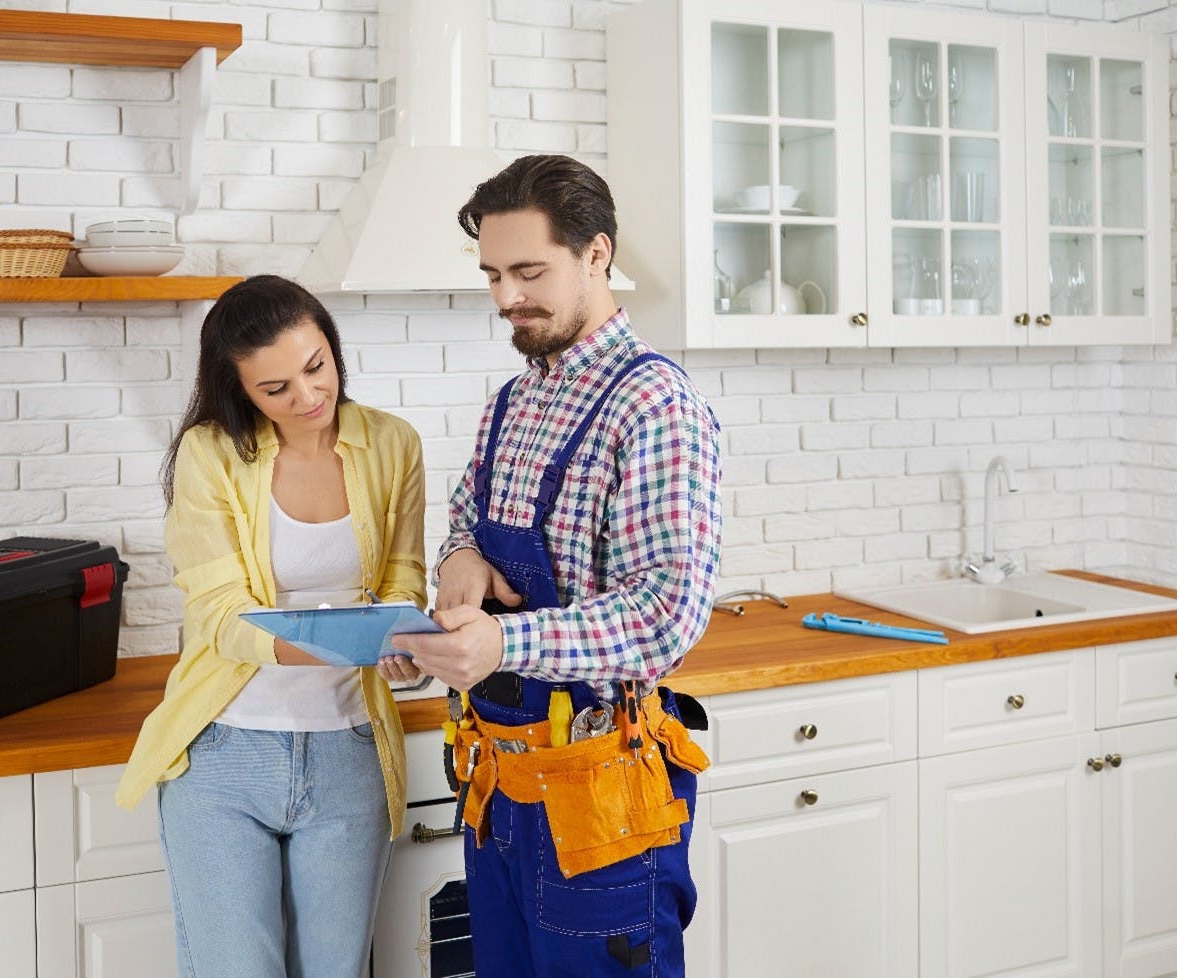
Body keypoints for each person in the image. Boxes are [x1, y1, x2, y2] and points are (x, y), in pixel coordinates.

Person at [385, 155, 723, 977]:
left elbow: (666, 616)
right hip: (499, 795)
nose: (506, 298)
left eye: (529, 271)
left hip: (600, 802)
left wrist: (502, 646)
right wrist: (460, 554)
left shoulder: (653, 405)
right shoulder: (515, 399)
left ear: (596, 255)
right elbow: (467, 513)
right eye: (494, 275)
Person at [116, 275, 427, 978]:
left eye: (316, 367)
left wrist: (403, 645)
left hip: (351, 754)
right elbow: (221, 616)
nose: (308, 397)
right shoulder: (211, 454)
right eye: (275, 389)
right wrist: (349, 644)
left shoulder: (392, 444)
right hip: (226, 755)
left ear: (331, 343)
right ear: (240, 392)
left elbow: (405, 578)